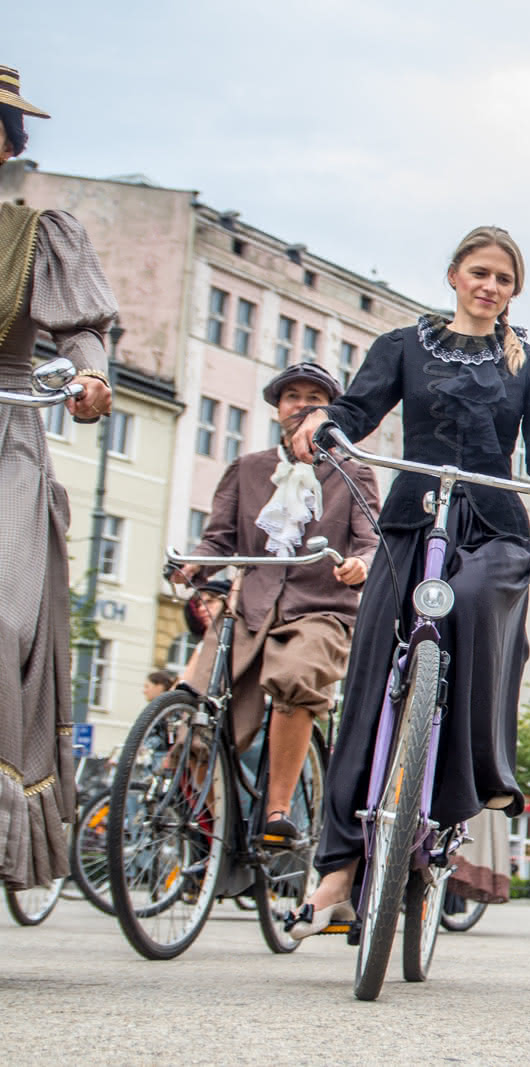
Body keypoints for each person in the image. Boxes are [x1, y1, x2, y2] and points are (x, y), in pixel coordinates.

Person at [285, 226, 530, 937]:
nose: (489, 286)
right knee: (366, 677)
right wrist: (325, 421)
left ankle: (468, 776)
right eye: (479, 273)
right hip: (410, 521)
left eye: (503, 279)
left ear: (513, 292)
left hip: (493, 522)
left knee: (480, 601)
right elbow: (359, 411)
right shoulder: (401, 347)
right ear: (454, 275)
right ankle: (334, 872)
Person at [172, 361, 379, 844]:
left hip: (320, 609)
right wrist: (192, 566)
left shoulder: (352, 474)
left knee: (294, 679)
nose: (302, 405)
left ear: (328, 411)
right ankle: (211, 824)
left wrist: (361, 566)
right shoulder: (248, 470)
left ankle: (277, 814)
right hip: (248, 610)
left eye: (314, 397)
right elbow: (219, 541)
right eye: (292, 397)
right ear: (278, 407)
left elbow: (371, 542)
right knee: (193, 712)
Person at [0, 65, 117, 890]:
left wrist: (90, 376)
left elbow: (81, 329)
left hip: (5, 427)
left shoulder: (35, 233)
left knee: (5, 621)